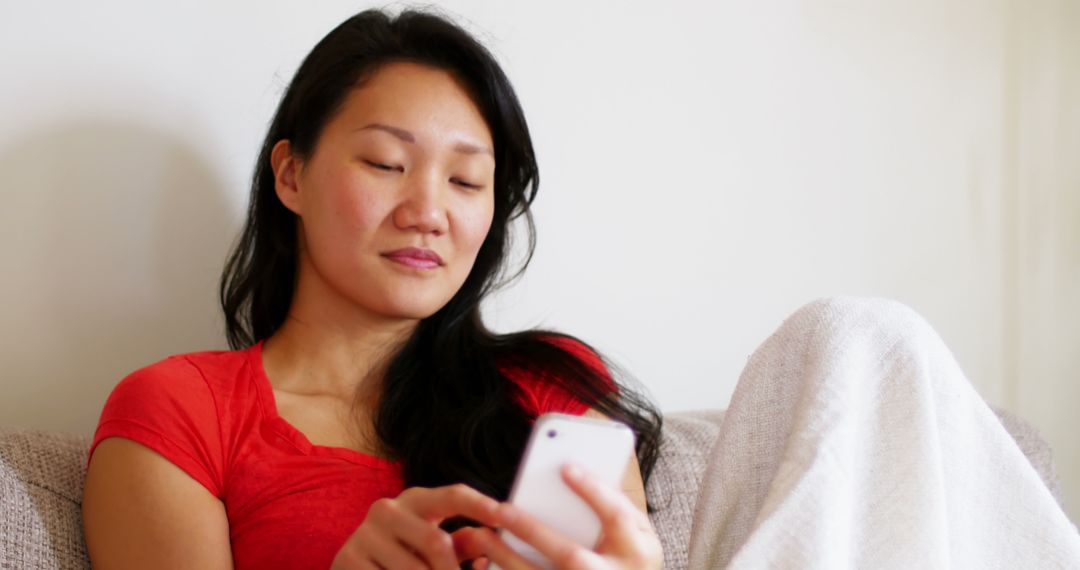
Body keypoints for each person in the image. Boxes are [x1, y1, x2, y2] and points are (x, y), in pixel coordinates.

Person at [81, 8, 664, 570]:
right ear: (290, 175)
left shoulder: (551, 386)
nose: (429, 213)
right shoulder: (182, 413)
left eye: (466, 180)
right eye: (386, 164)